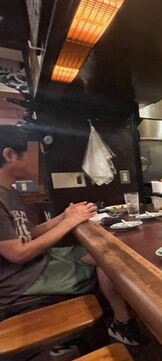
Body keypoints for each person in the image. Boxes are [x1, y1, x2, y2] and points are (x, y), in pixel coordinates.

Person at [0, 125, 146, 346]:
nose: (40, 163)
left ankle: (120, 318)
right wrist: (70, 221)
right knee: (107, 262)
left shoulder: (9, 191)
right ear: (10, 155)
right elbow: (19, 254)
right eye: (35, 155)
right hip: (22, 279)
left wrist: (64, 216)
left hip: (40, 262)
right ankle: (117, 324)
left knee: (105, 252)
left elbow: (28, 232)